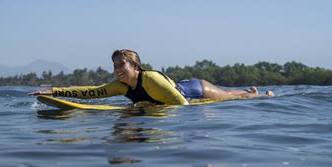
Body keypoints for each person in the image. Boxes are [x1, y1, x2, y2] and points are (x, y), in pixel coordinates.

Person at [29, 49, 273, 105]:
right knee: (229, 94)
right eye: (114, 65)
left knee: (229, 97)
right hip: (183, 89)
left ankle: (254, 93)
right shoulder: (120, 87)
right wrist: (52, 91)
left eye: (121, 64)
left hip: (197, 91)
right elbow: (88, 92)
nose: (116, 69)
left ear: (135, 66)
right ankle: (248, 91)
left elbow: (182, 106)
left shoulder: (151, 79)